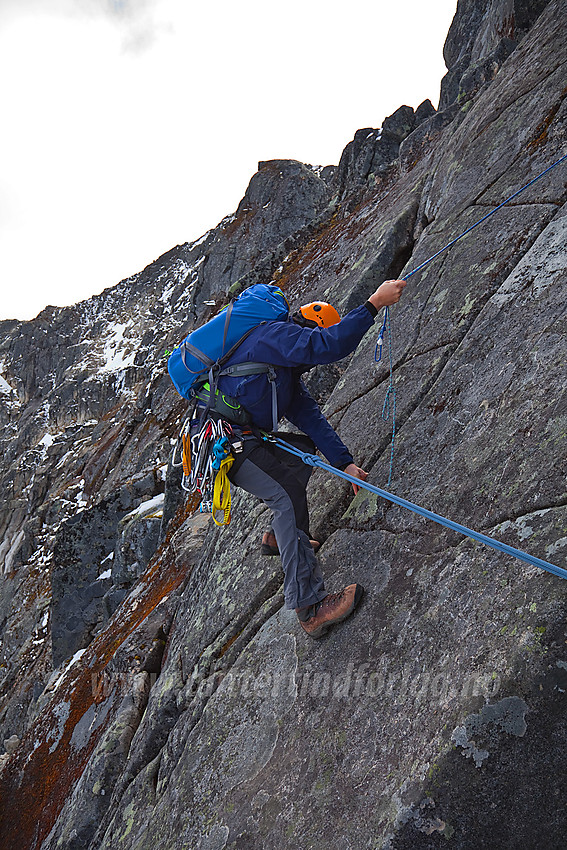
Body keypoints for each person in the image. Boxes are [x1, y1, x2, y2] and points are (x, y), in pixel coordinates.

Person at [215, 279, 406, 638]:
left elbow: (313, 421)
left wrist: (346, 465)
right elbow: (329, 345)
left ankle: (280, 538)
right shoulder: (273, 337)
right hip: (229, 444)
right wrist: (373, 305)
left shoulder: (284, 375)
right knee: (286, 495)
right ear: (307, 326)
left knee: (302, 451)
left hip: (242, 439)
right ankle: (310, 608)